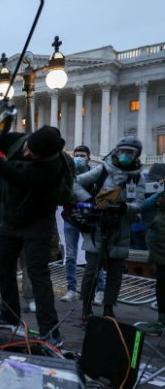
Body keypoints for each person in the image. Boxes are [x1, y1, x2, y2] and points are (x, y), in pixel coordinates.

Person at [0, 123, 67, 347]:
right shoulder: (20, 141)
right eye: (26, 146)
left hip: (37, 224)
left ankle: (50, 331)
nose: (25, 152)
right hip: (10, 222)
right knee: (3, 269)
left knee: (38, 275)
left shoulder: (50, 167)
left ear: (43, 155)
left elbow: (11, 173)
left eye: (31, 153)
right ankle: (10, 316)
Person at [73, 136, 145, 319]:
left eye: (130, 152)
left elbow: (139, 203)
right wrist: (89, 201)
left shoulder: (137, 177)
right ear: (116, 151)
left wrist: (125, 207)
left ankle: (108, 308)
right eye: (123, 151)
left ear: (136, 155)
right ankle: (86, 307)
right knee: (91, 271)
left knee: (115, 274)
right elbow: (75, 183)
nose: (126, 155)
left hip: (121, 230)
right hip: (98, 227)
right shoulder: (103, 169)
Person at [60, 145, 105, 303]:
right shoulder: (67, 173)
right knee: (70, 256)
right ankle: (71, 289)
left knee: (93, 255)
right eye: (76, 155)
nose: (78, 157)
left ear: (88, 158)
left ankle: (100, 290)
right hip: (70, 218)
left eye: (82, 155)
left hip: (89, 219)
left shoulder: (96, 174)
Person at [141, 176, 165, 335]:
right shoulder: (161, 210)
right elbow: (143, 206)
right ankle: (162, 322)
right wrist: (158, 193)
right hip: (160, 259)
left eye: (161, 196)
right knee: (161, 290)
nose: (158, 199)